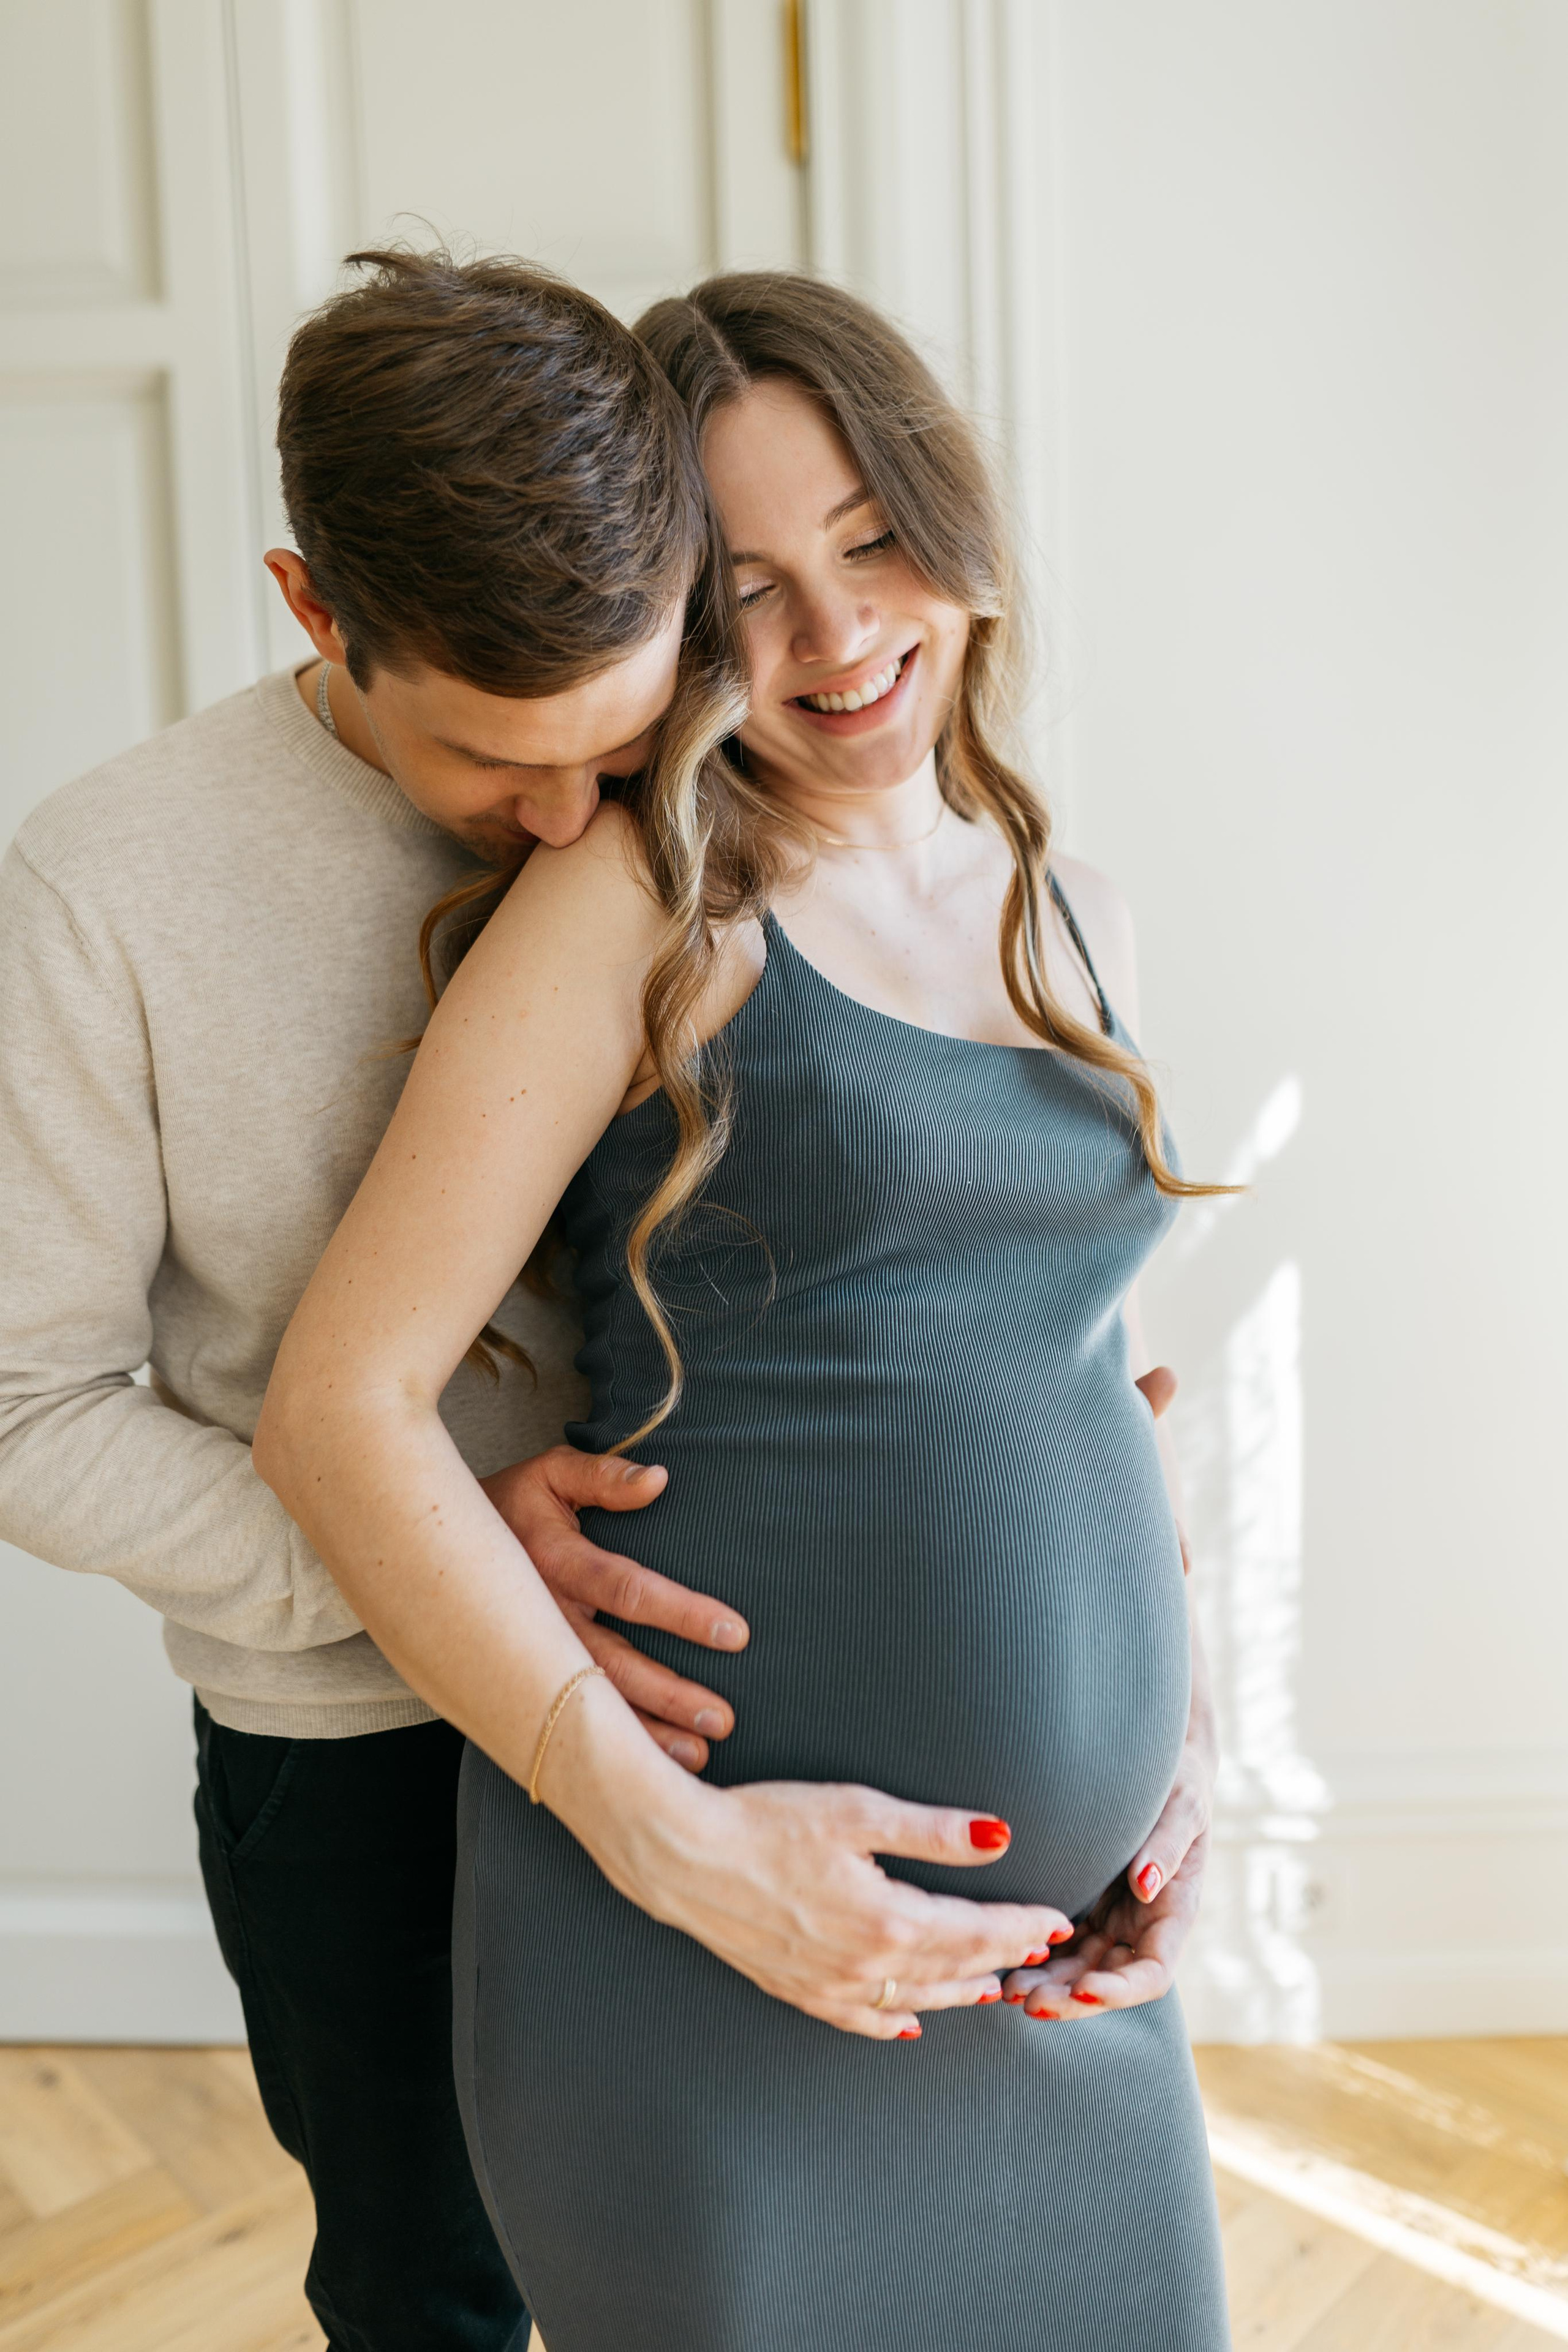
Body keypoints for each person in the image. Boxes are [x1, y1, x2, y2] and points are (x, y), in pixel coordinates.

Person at [255, 270, 1231, 2350]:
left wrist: (1183, 1731)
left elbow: (1084, 1374)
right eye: (752, 586)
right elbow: (341, 1407)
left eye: (871, 541)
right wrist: (678, 1849)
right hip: (701, 1942)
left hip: (1052, 1965)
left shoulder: (1077, 910)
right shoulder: (640, 903)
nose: (838, 631)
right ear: (677, 631)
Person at [0, 249, 761, 2352]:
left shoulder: (724, 770)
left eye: (613, 745)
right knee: (438, 2295)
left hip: (736, 1673)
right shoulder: (103, 890)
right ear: (311, 606)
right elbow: (19, 1404)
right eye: (493, 765)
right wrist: (403, 1554)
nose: (571, 826)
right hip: (358, 1754)